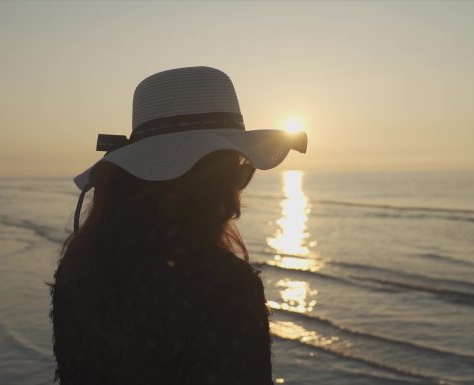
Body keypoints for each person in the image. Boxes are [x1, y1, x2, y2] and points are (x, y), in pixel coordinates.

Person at [50, 66, 307, 385]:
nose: (238, 195)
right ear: (211, 182)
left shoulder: (78, 270)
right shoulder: (223, 286)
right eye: (238, 171)